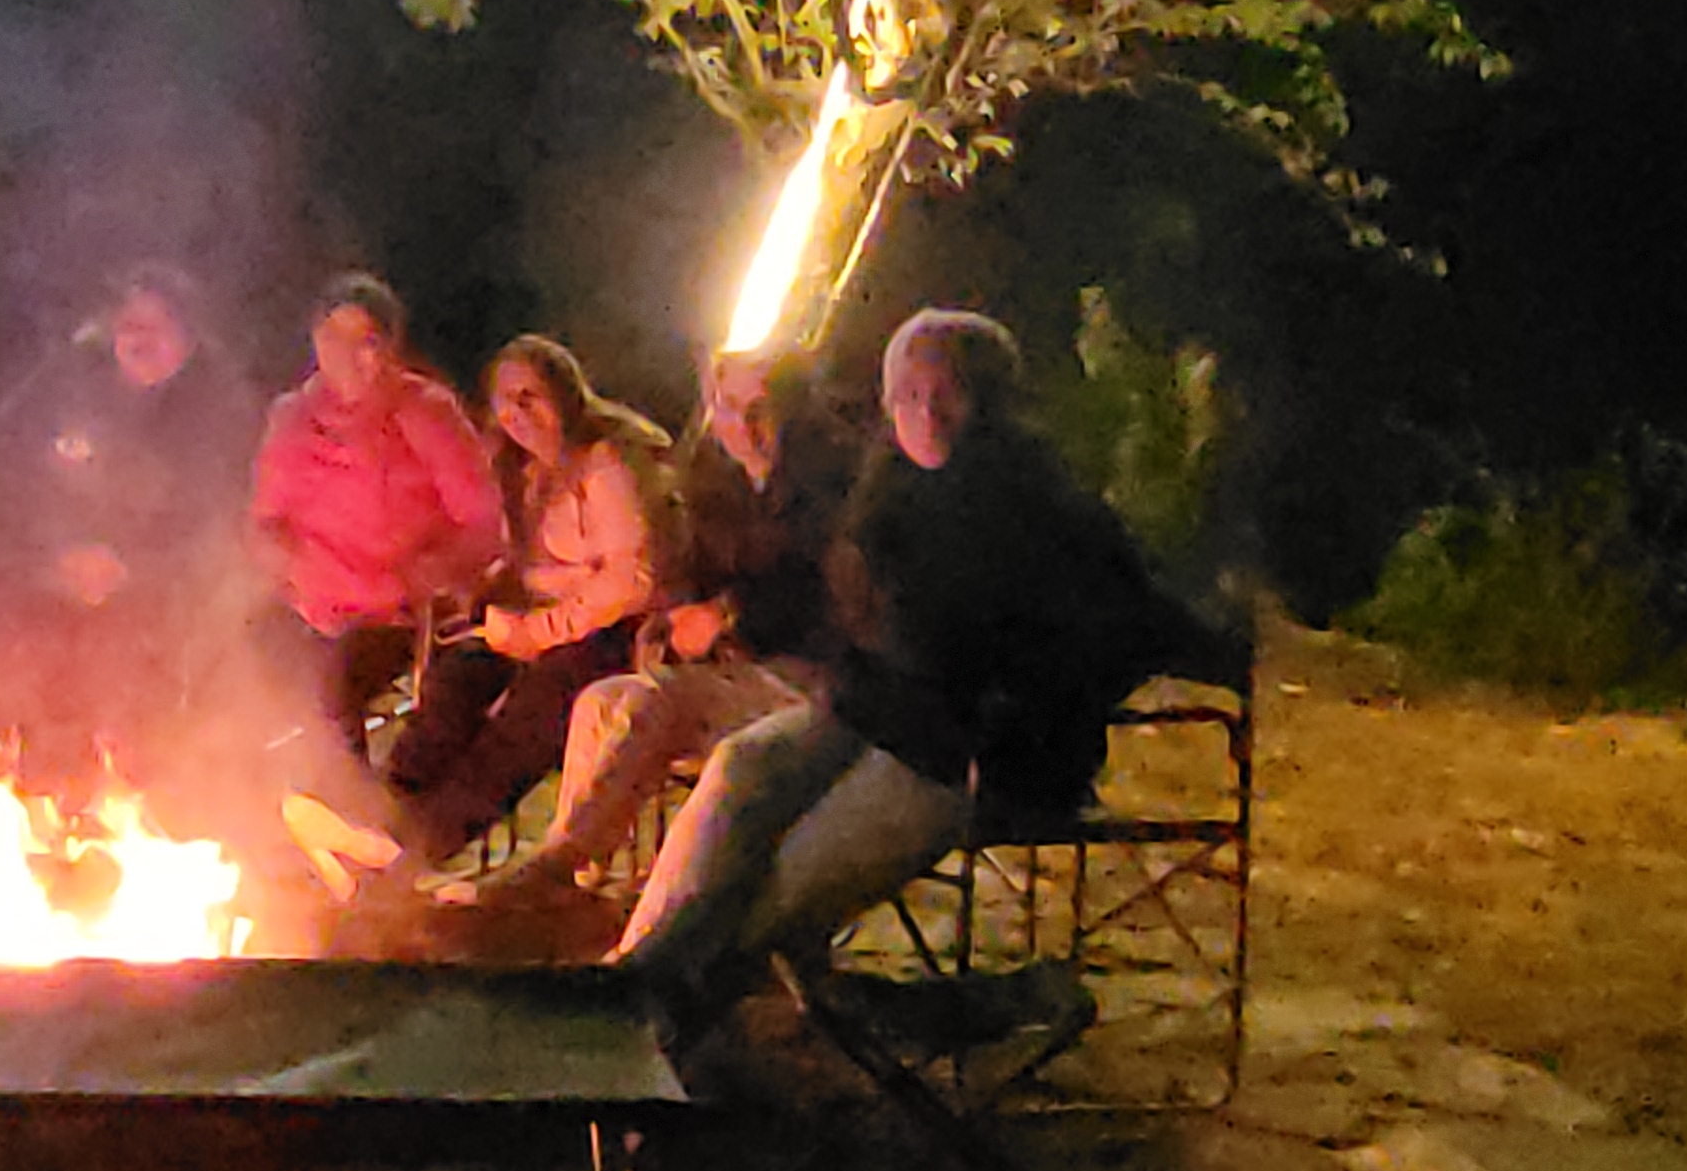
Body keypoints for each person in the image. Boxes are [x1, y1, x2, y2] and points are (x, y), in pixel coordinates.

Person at [613, 308, 1224, 1044]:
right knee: (744, 766)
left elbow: (1130, 626)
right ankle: (628, 982)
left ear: (991, 402)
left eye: (948, 394)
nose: (925, 414)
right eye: (907, 394)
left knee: (774, 893)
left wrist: (1024, 710)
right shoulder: (887, 485)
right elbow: (850, 619)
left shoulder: (1042, 506)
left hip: (966, 756)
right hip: (876, 714)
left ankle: (671, 1024)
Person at [453, 342, 862, 942]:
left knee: (665, 700)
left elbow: (827, 593)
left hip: (817, 682)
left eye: (760, 410)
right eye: (729, 408)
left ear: (795, 410)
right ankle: (575, 890)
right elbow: (692, 572)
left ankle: (557, 865)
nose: (743, 427)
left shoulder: (833, 483)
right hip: (737, 672)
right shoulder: (720, 481)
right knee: (601, 702)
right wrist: (667, 624)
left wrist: (729, 616)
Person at [360, 334, 665, 872]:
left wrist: (537, 632)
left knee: (527, 715)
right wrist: (486, 594)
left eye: (532, 397)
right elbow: (527, 565)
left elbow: (631, 580)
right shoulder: (526, 471)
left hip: (616, 630)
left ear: (566, 394)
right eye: (507, 401)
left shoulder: (606, 465)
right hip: (548, 618)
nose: (519, 413)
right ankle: (379, 820)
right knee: (458, 680)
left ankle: (421, 850)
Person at [0, 264, 262, 808]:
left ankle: (140, 786)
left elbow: (216, 518)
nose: (140, 340)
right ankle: (44, 786)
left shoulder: (215, 403)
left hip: (162, 581)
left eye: (158, 327)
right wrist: (62, 553)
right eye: (130, 325)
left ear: (188, 338)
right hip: (57, 570)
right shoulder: (62, 385)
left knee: (126, 642)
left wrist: (130, 567)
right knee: (11, 607)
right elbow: (8, 474)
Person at [245, 274, 508, 745]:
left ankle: (346, 789)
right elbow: (266, 516)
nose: (347, 354)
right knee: (230, 661)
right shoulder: (292, 417)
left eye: (364, 341)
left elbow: (482, 522)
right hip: (309, 607)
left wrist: (427, 574)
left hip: (392, 616)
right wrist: (273, 551)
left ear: (389, 348)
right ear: (315, 340)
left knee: (329, 687)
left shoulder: (424, 412)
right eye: (333, 337)